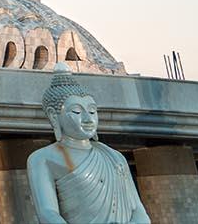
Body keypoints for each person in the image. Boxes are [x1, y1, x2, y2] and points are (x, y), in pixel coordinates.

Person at [27, 64, 150, 224]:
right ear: (53, 115)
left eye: (92, 111)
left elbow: (138, 210)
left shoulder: (115, 157)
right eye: (77, 112)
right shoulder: (42, 159)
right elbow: (48, 213)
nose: (88, 119)